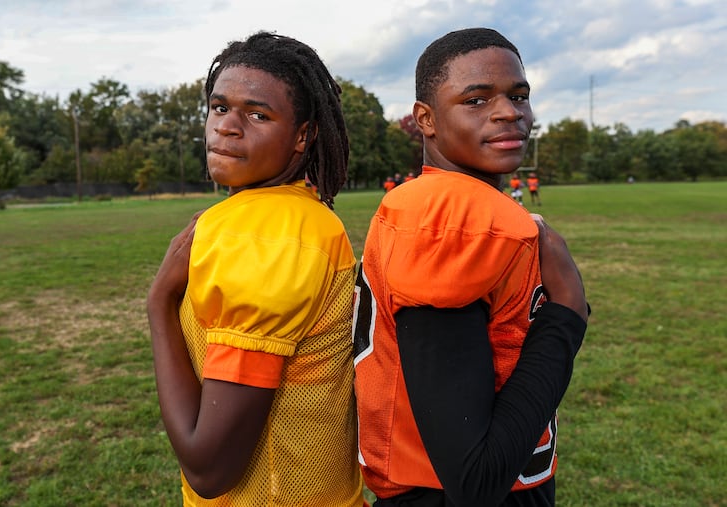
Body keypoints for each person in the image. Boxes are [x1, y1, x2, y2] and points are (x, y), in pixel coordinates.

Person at [352, 28, 589, 506]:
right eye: (477, 100)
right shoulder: (455, 220)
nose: (509, 112)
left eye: (519, 95)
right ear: (427, 118)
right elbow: (474, 479)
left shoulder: (440, 202)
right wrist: (566, 316)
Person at [147, 32, 364, 506]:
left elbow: (209, 468)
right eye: (220, 107)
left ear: (302, 136)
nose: (227, 126)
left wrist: (159, 306)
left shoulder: (262, 232)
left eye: (257, 114)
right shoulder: (300, 214)